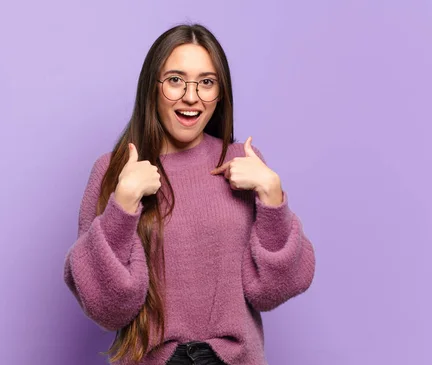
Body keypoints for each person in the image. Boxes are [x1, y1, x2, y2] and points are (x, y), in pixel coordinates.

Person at [63, 23, 316, 365]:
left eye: (206, 82)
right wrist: (122, 205)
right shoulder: (115, 171)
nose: (191, 96)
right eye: (176, 80)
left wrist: (272, 197)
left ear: (220, 93)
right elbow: (107, 308)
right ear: (152, 88)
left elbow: (273, 290)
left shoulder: (244, 163)